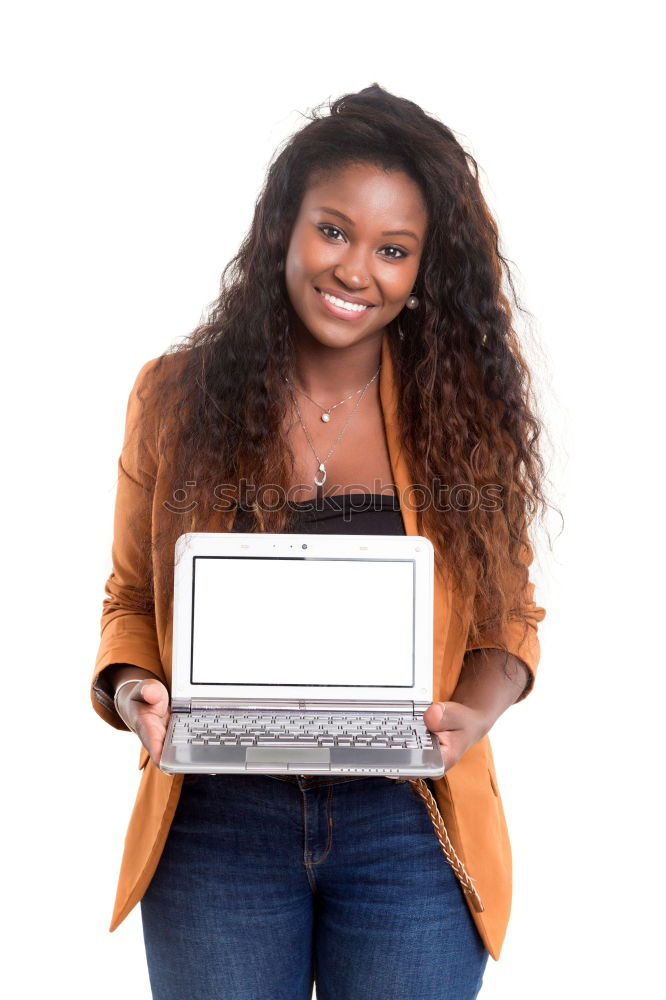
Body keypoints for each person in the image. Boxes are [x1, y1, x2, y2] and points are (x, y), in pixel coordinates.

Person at [91, 84, 547, 999]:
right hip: (216, 821)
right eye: (333, 231)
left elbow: (508, 623)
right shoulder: (173, 399)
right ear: (282, 230)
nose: (355, 271)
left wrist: (473, 715)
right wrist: (135, 686)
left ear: (423, 271)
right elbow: (132, 599)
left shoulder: (464, 417)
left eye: (393, 250)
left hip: (409, 827)